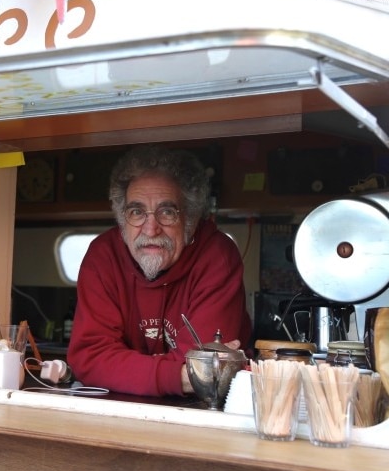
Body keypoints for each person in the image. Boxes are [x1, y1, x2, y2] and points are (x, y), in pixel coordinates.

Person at [67, 144, 252, 397]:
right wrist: (181, 376)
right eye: (137, 212)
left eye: (167, 211)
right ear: (123, 220)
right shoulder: (103, 256)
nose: (150, 229)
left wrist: (122, 368)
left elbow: (211, 372)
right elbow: (89, 357)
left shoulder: (217, 256)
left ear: (190, 218)